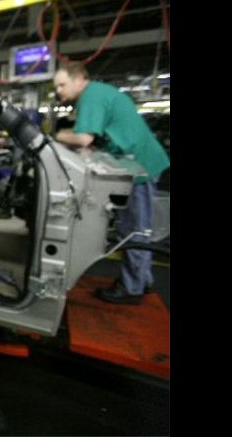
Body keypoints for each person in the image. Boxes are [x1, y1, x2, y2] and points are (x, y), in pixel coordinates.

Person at [53, 62, 169, 305]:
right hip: (137, 163)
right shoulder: (98, 93)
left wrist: (56, 135)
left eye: (62, 85)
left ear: (79, 80)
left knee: (133, 230)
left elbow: (83, 139)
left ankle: (132, 288)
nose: (58, 91)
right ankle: (142, 279)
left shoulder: (91, 97)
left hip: (138, 167)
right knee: (140, 228)